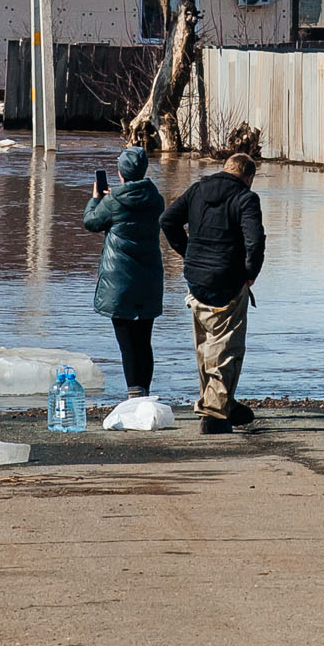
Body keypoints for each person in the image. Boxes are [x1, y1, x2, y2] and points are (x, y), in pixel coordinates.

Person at [161, 151, 265, 434]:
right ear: (248, 177)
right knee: (227, 347)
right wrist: (250, 275)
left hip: (196, 280)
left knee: (205, 346)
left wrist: (188, 253)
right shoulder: (246, 198)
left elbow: (168, 220)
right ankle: (215, 413)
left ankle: (222, 404)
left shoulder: (198, 189)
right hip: (228, 280)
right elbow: (255, 242)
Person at [83, 145, 166, 398]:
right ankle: (145, 391)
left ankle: (134, 395)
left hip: (119, 281)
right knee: (144, 341)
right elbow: (133, 203)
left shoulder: (112, 201)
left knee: (127, 343)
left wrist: (96, 198)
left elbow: (91, 222)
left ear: (120, 172)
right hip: (149, 279)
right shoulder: (156, 199)